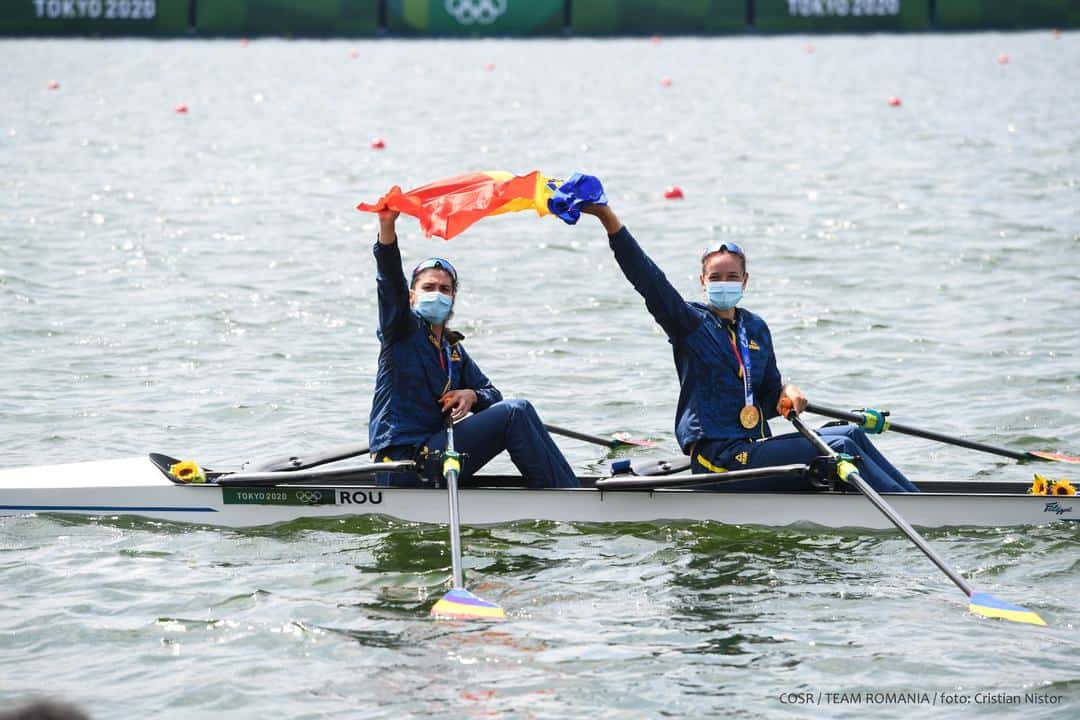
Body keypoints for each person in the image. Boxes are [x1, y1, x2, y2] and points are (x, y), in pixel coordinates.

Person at [579, 203, 919, 493]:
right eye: (715, 277)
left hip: (752, 449)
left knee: (851, 434)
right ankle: (919, 513)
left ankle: (916, 498)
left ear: (745, 281)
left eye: (731, 277)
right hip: (718, 462)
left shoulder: (755, 327)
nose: (723, 283)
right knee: (839, 446)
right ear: (702, 282)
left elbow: (771, 393)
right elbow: (648, 279)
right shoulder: (688, 323)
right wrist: (609, 219)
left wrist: (789, 391)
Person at [368, 210, 579, 489]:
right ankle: (566, 496)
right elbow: (390, 282)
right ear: (411, 296)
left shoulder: (451, 350)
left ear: (453, 297)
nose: (438, 293)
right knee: (516, 412)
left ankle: (565, 490)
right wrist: (387, 227)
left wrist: (471, 395)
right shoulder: (401, 331)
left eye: (445, 289)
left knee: (520, 411)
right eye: (429, 287)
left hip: (437, 454)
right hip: (403, 463)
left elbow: (493, 394)